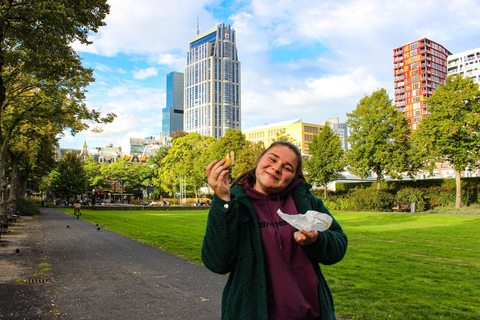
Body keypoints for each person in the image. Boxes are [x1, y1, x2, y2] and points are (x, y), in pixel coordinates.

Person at [202, 141, 348, 320]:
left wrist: (316, 240)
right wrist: (223, 200)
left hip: (312, 313)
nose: (277, 168)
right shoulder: (235, 204)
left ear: (294, 177)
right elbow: (217, 263)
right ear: (259, 160)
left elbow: (339, 244)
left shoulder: (306, 202)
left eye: (287, 167)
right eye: (272, 159)